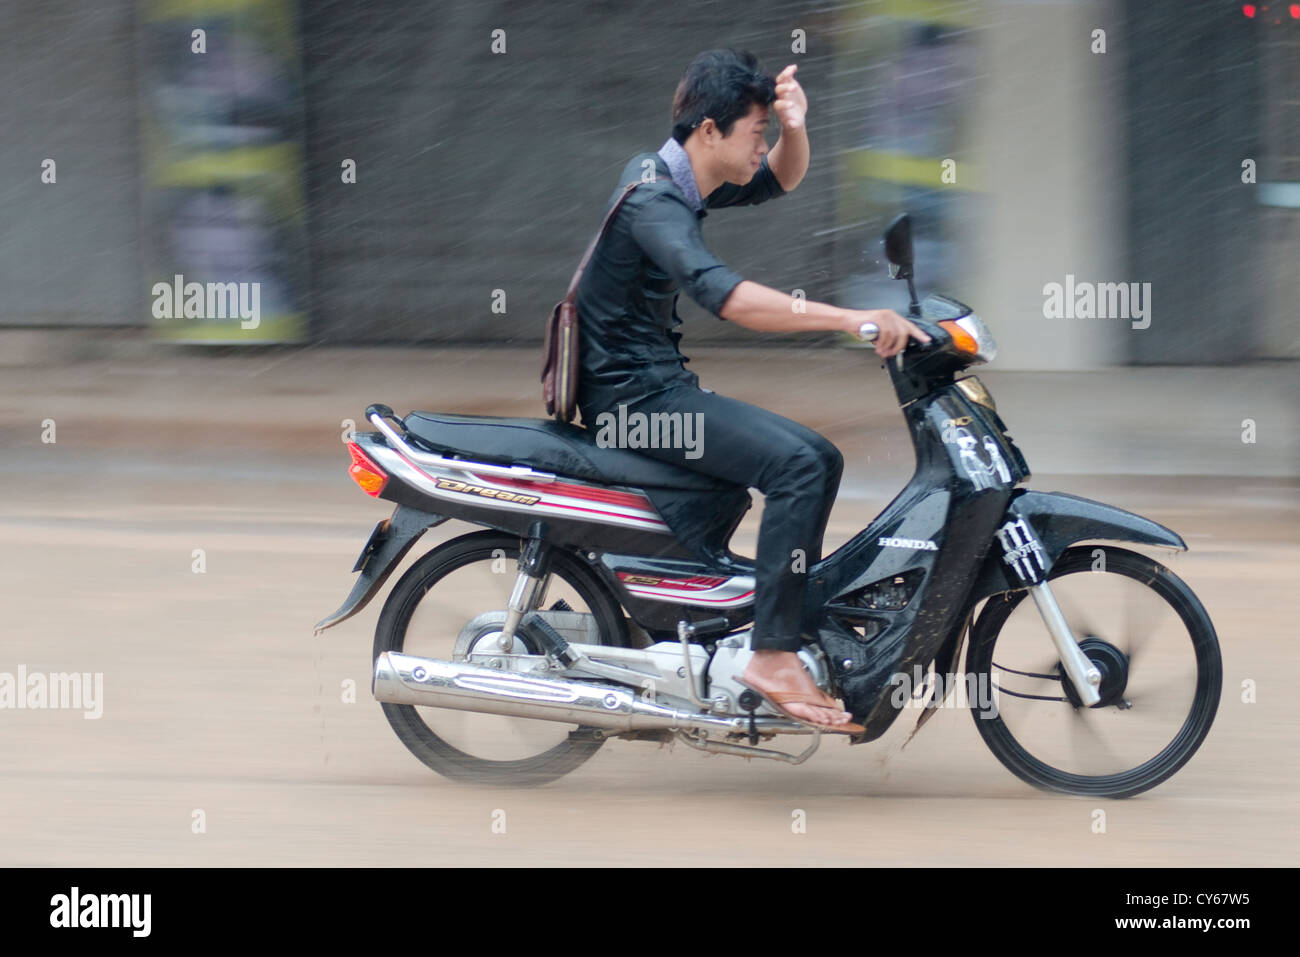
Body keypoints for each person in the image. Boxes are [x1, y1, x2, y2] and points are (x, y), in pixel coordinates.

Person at [575, 49, 929, 730]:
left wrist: (794, 128)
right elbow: (729, 299)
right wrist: (853, 318)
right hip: (633, 409)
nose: (761, 144)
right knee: (798, 463)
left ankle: (744, 622)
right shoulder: (654, 198)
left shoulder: (681, 178)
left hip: (653, 390)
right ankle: (771, 652)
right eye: (755, 131)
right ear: (710, 130)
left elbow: (778, 181)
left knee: (816, 456)